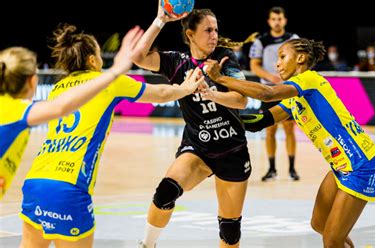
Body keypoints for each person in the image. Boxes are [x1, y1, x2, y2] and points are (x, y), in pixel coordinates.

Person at [18, 24, 203, 248]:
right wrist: (186, 88)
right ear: (92, 61)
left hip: (35, 181)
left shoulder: (58, 88)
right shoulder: (106, 82)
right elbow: (162, 93)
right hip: (69, 185)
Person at [204, 38, 375, 247]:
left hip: (361, 165)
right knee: (319, 224)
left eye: (282, 57)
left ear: (300, 58)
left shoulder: (310, 79)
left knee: (332, 239)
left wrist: (221, 78)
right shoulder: (293, 98)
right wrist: (217, 119)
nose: (277, 63)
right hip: (342, 166)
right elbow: (259, 121)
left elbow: (266, 93)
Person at [132, 2, 253, 247]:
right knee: (165, 192)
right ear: (190, 34)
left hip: (232, 151)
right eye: (208, 30)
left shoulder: (225, 61)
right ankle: (147, 244)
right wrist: (160, 21)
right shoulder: (177, 62)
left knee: (230, 231)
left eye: (216, 30)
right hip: (198, 149)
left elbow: (241, 100)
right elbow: (137, 57)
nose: (215, 36)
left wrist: (213, 94)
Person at [0, 26, 143, 200]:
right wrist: (115, 71)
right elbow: (61, 107)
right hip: (67, 185)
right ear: (32, 81)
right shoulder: (18, 111)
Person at [248, 6, 299, 181]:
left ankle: (292, 168)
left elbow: (301, 61)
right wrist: (270, 77)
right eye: (274, 19)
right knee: (270, 130)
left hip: (288, 90)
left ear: (284, 20)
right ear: (269, 21)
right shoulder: (261, 41)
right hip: (269, 91)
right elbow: (254, 65)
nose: (277, 22)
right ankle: (272, 169)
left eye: (280, 19)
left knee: (289, 129)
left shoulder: (293, 39)